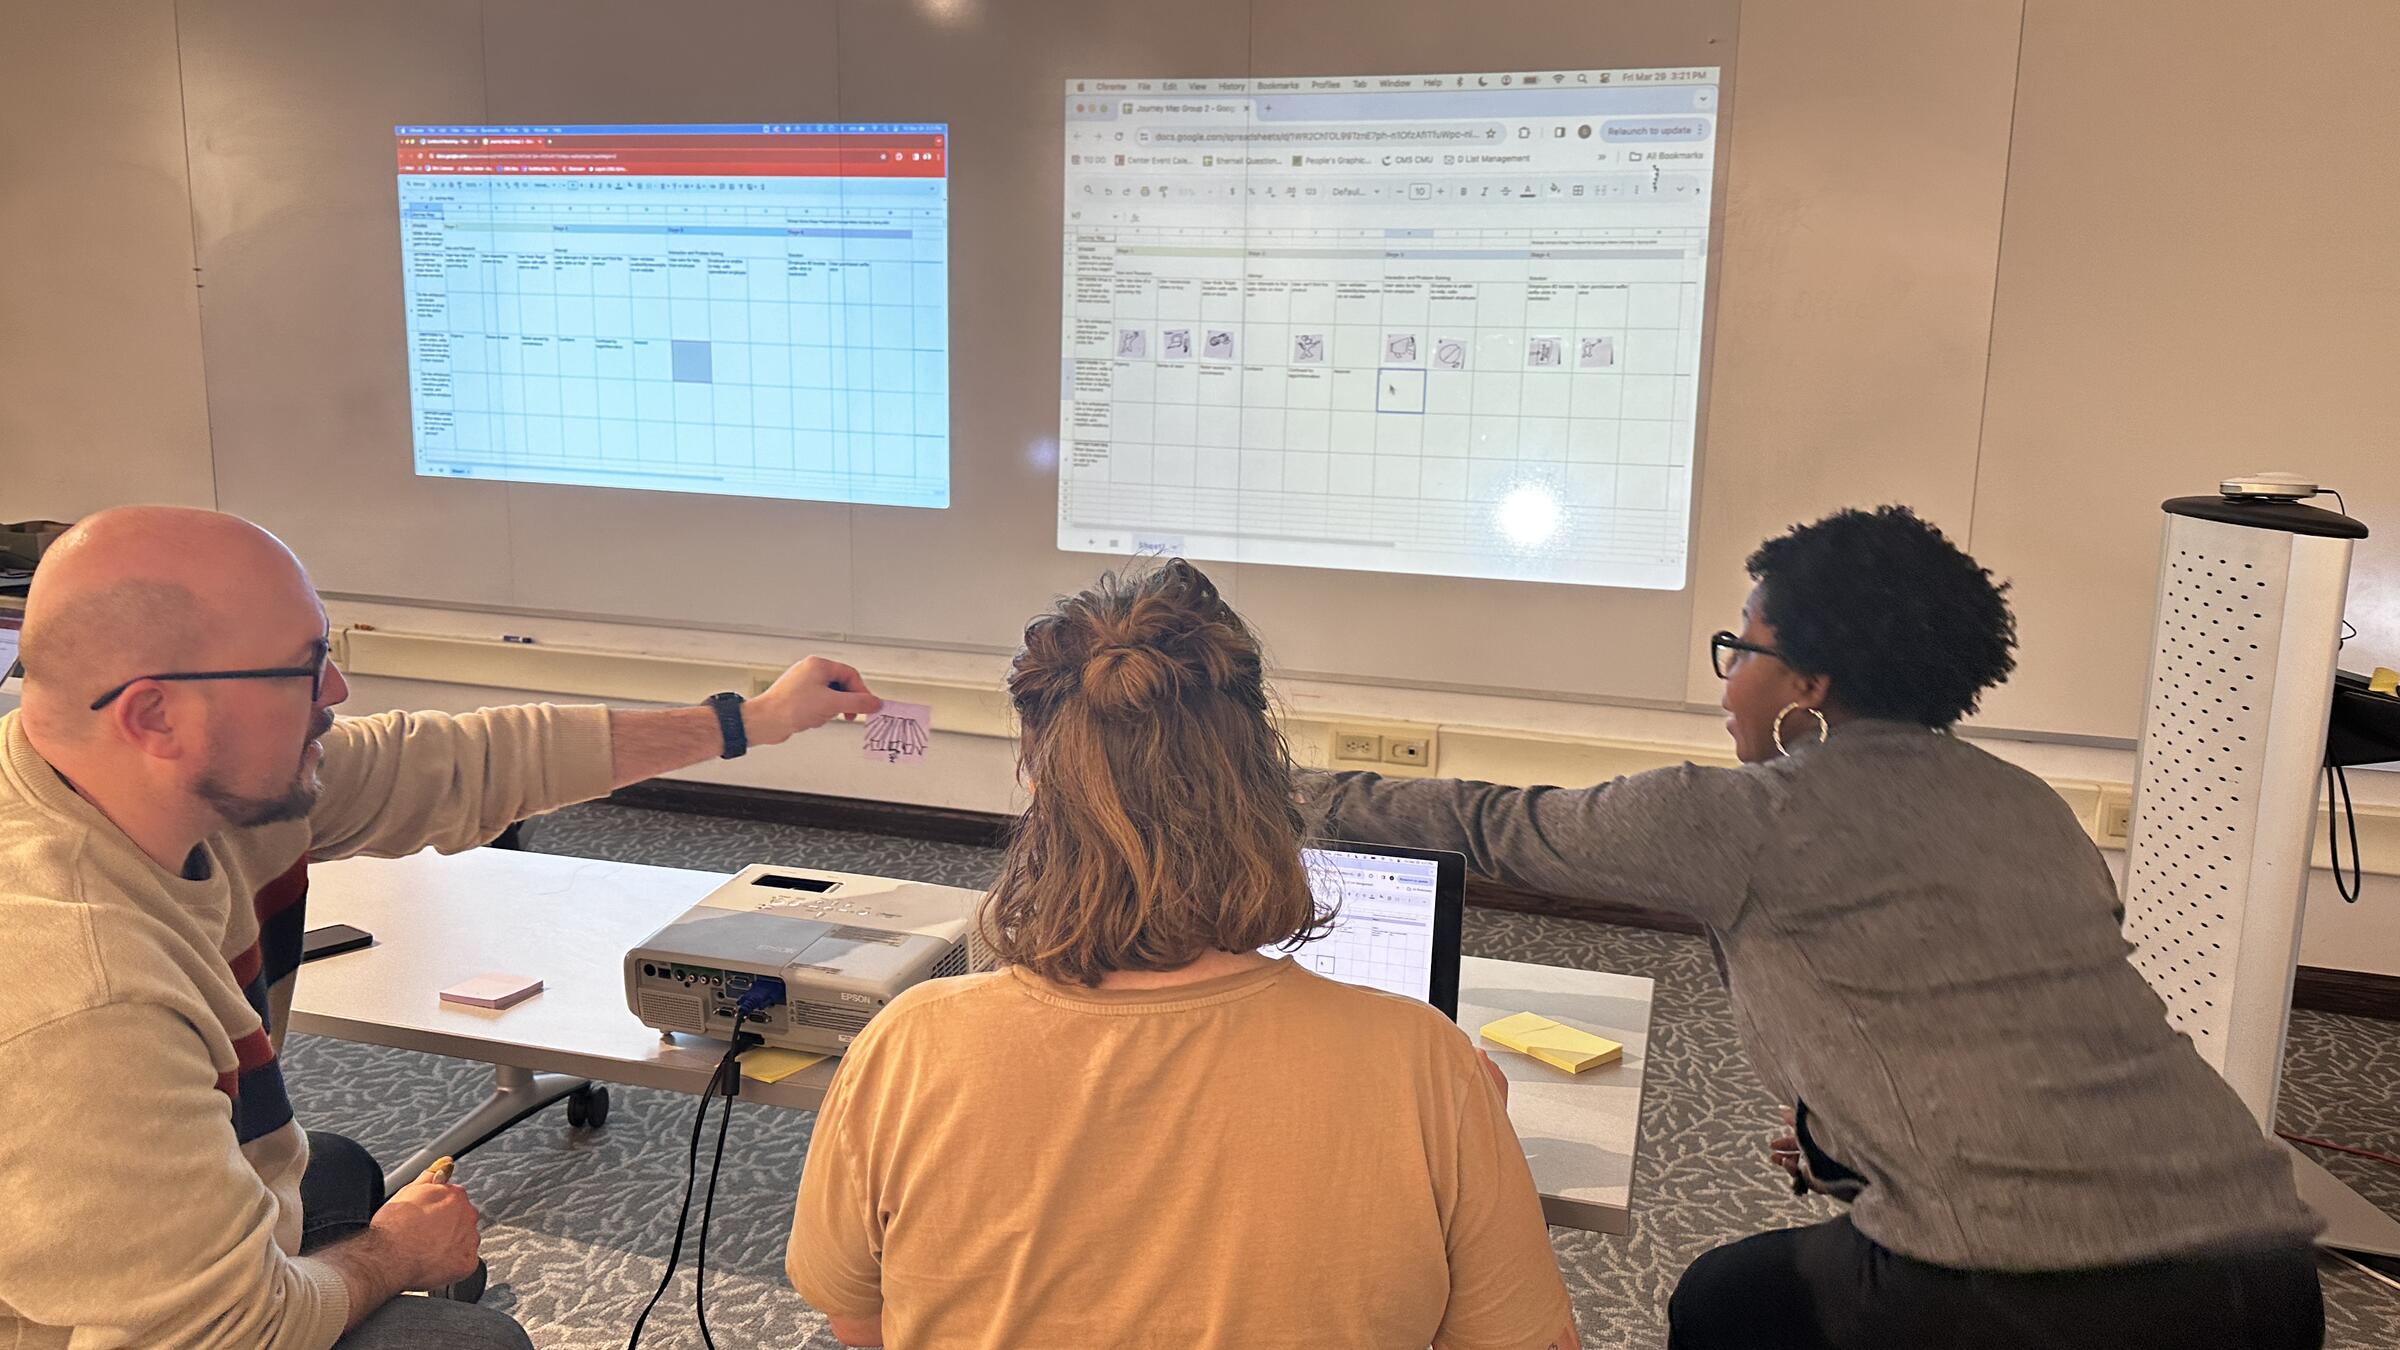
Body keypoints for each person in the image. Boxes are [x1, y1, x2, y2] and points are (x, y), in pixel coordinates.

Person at [1303, 507, 2325, 1350]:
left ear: (1810, 685)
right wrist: (1841, 1137)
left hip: (2037, 1290)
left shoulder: (1748, 816)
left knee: (1727, 1306)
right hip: (2268, 1272)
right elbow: (2006, 1014)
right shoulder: (2026, 802)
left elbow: (1489, 826)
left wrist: (1258, 786)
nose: (1726, 682)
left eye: (1740, 649)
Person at [0, 506, 882, 1349]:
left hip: (128, 1249)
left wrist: (750, 721)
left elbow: (462, 763)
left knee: (330, 1169)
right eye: (305, 666)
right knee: (469, 1340)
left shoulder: (176, 778)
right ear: (154, 714)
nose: (337, 690)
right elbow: (220, 1334)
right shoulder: (80, 994)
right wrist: (393, 1257)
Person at [787, 559, 1580, 1350]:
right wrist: (1460, 1139)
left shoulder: (909, 1045)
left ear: (1036, 781)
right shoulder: (1427, 1068)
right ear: (1266, 782)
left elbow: (859, 1322)